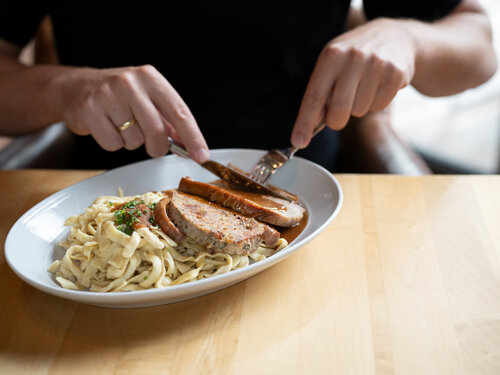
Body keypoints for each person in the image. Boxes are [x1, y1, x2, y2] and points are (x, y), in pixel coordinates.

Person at [0, 0, 496, 170]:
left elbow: (477, 46)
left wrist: (410, 39)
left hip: (302, 188)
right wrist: (65, 91)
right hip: (104, 196)